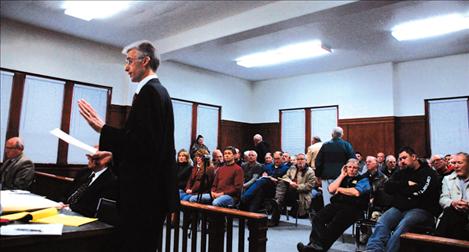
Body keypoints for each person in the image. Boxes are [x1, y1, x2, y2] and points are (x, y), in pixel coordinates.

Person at [78, 40, 178, 251]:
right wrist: (112, 156)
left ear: (146, 61)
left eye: (130, 61)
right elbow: (145, 147)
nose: (126, 67)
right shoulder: (158, 92)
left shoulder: (150, 93)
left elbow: (144, 146)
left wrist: (102, 128)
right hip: (150, 194)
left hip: (144, 197)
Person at [366, 146, 440, 252]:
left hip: (421, 209)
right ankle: (373, 250)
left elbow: (422, 192)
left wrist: (401, 191)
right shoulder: (402, 172)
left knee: (403, 225)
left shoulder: (428, 173)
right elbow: (387, 187)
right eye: (400, 159)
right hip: (400, 207)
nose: (401, 161)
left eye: (404, 158)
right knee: (383, 222)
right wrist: (406, 184)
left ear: (414, 157)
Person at [297, 159, 370, 252]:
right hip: (337, 204)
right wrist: (341, 175)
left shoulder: (363, 179)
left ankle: (313, 248)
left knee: (334, 226)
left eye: (354, 168)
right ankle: (315, 246)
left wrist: (340, 189)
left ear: (358, 169)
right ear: (345, 168)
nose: (352, 169)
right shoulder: (343, 177)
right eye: (349, 167)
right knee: (317, 218)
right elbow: (331, 189)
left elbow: (356, 192)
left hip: (353, 208)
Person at [63, 148, 118, 217]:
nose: (88, 159)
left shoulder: (111, 180)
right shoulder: (84, 171)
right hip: (65, 209)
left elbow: (94, 208)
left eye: (92, 157)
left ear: (103, 161)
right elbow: (68, 193)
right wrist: (61, 203)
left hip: (82, 216)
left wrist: (70, 207)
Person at [270, 153, 316, 226]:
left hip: (301, 194)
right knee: (282, 182)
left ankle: (277, 201)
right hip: (289, 192)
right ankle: (277, 201)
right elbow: (285, 176)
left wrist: (297, 186)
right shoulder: (292, 168)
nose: (300, 161)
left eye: (302, 159)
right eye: (298, 159)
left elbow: (309, 186)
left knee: (279, 199)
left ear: (306, 160)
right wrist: (290, 182)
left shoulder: (310, 172)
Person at [315, 127, 355, 207]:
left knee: (327, 201)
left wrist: (318, 175)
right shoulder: (346, 145)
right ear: (342, 135)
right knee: (340, 200)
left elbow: (318, 162)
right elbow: (352, 160)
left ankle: (327, 217)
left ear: (332, 134)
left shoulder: (325, 145)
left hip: (326, 176)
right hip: (341, 177)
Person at [435, 152, 469, 240]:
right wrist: (453, 203)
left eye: (460, 163)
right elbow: (443, 199)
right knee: (451, 211)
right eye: (454, 163)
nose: (456, 166)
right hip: (452, 216)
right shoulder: (447, 179)